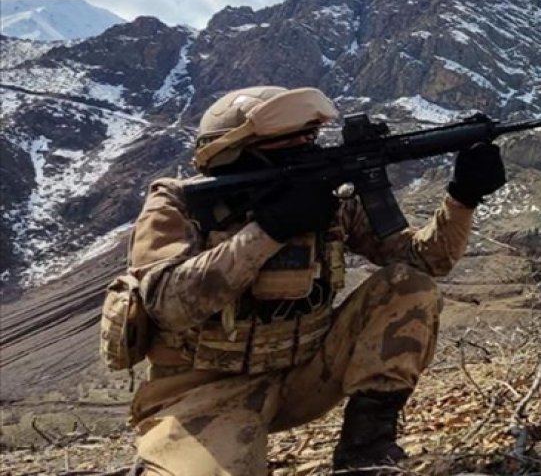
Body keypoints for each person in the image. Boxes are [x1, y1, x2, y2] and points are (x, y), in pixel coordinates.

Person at [124, 86, 506, 475]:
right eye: (289, 139)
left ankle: (366, 451)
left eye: (310, 136)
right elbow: (167, 304)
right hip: (202, 393)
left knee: (408, 285)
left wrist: (463, 198)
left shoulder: (331, 199)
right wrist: (270, 228)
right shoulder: (178, 203)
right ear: (237, 150)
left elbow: (423, 261)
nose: (306, 145)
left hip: (305, 376)